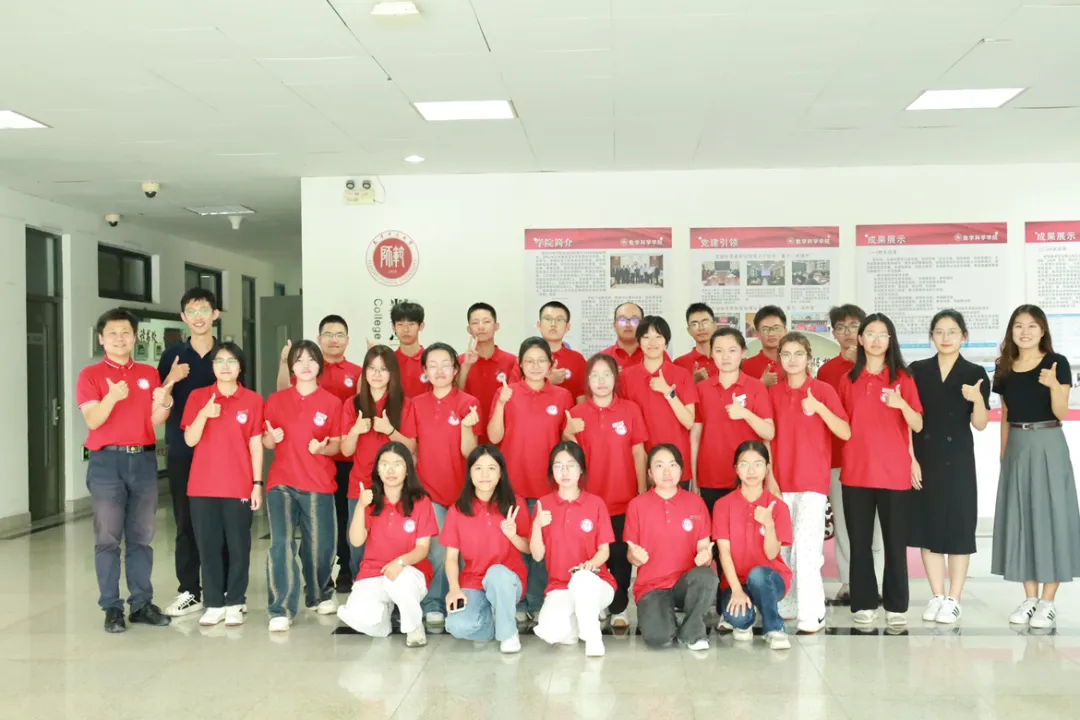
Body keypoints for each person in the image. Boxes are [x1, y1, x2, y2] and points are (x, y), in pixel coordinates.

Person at [78, 308, 175, 633]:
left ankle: (141, 604)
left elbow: (155, 420)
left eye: (125, 333)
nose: (119, 339)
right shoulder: (90, 375)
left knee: (142, 537)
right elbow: (93, 420)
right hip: (106, 463)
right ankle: (111, 608)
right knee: (107, 538)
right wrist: (112, 397)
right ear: (101, 339)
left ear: (135, 337)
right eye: (112, 333)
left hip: (143, 462)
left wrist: (165, 402)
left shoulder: (147, 373)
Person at [992, 304, 1080, 628]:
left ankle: (1048, 602)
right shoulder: (1004, 367)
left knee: (1052, 517)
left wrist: (1054, 385)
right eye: (1019, 325)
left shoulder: (1057, 363)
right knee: (1022, 518)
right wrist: (1004, 452)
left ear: (1042, 330)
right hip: (1017, 445)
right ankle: (1030, 598)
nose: (1025, 331)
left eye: (1032, 325)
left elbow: (1061, 412)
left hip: (1048, 443)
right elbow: (1005, 413)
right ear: (1011, 331)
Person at [839, 313, 924, 626]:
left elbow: (917, 423)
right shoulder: (848, 380)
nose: (876, 340)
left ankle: (896, 606)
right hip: (856, 472)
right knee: (859, 543)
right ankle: (863, 602)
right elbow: (840, 425)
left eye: (883, 334)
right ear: (860, 339)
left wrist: (901, 404)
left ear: (891, 340)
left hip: (894, 473)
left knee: (894, 544)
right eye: (870, 334)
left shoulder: (903, 378)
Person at [909, 310, 990, 625]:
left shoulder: (974, 372)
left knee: (958, 528)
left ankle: (954, 599)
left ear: (963, 336)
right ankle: (937, 595)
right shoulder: (918, 371)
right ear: (931, 336)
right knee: (928, 528)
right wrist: (911, 459)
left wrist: (977, 399)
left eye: (952, 332)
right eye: (939, 332)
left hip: (958, 460)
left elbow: (980, 424)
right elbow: (908, 421)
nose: (945, 338)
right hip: (924, 457)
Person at [487, 337, 574, 626]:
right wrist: (501, 403)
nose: (535, 366)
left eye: (541, 361)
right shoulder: (507, 393)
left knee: (541, 547)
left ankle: (537, 601)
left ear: (551, 364)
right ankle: (518, 601)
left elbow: (566, 441)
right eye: (529, 361)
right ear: (520, 365)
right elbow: (494, 436)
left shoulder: (562, 396)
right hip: (512, 485)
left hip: (546, 486)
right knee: (513, 545)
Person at [769, 333, 850, 633]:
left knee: (806, 549)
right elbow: (765, 438)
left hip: (813, 483)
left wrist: (819, 408)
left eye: (798, 354)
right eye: (786, 354)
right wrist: (769, 478)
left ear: (808, 357)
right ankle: (788, 603)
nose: (792, 360)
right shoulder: (773, 393)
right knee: (784, 548)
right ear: (779, 358)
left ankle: (813, 611)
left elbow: (845, 431)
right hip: (780, 483)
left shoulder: (823, 391)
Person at [277, 314, 362, 594]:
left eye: (339, 335)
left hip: (346, 459)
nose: (334, 340)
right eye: (328, 334)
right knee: (315, 523)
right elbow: (283, 395)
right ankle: (318, 576)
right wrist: (284, 362)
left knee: (345, 519)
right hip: (313, 461)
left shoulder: (357, 372)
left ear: (347, 340)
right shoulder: (308, 368)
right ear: (319, 338)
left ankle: (346, 570)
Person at [157, 288, 229, 619]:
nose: (198, 317)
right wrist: (171, 379)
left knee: (222, 521)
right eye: (192, 311)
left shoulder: (227, 354)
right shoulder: (172, 356)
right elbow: (159, 401)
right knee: (185, 522)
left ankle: (224, 589)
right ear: (184, 317)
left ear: (215, 314)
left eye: (204, 310)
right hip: (183, 451)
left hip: (222, 451)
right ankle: (189, 590)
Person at [181, 342, 264, 627]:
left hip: (239, 485)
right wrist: (204, 413)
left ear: (240, 367)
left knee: (239, 547)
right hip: (202, 486)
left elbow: (256, 445)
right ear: (212, 366)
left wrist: (257, 483)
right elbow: (190, 440)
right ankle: (214, 603)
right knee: (209, 547)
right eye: (219, 361)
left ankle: (236, 601)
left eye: (231, 361)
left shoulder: (253, 400)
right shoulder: (198, 397)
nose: (225, 366)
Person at [263, 340, 343, 632]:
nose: (305, 365)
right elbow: (266, 441)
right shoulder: (276, 400)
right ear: (291, 367)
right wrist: (271, 438)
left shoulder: (332, 403)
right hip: (282, 482)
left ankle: (318, 593)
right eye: (299, 360)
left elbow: (338, 445)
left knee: (320, 546)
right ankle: (281, 608)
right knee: (281, 543)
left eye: (311, 359)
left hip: (318, 482)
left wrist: (323, 448)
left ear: (320, 365)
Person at [564, 353, 647, 629]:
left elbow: (638, 453)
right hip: (588, 501)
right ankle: (597, 605)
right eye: (595, 375)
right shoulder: (576, 414)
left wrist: (642, 492)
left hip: (624, 498)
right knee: (592, 556)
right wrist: (568, 432)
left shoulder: (630, 410)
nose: (601, 381)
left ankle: (620, 607)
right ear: (587, 381)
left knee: (621, 556)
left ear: (616, 379)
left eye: (607, 374)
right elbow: (569, 457)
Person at [336, 442, 438, 647]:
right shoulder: (370, 501)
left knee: (400, 581)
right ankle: (384, 620)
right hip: (374, 572)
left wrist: (400, 563)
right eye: (384, 464)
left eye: (397, 464)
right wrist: (360, 506)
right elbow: (356, 540)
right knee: (359, 618)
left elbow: (422, 549)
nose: (390, 470)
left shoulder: (421, 502)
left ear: (407, 470)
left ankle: (413, 627)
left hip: (410, 571)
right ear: (377, 470)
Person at [411, 342, 480, 632]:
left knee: (464, 552)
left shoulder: (468, 402)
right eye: (433, 365)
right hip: (429, 491)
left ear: (455, 369)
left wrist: (466, 427)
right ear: (425, 371)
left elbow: (470, 453)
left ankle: (463, 601)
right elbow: (412, 449)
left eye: (445, 365)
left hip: (463, 493)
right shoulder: (416, 404)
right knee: (438, 552)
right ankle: (434, 604)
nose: (439, 371)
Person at [817, 304, 881, 603]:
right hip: (838, 458)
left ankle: (875, 580)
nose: (847, 333)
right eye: (841, 328)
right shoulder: (827, 371)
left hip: (874, 459)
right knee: (843, 523)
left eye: (853, 326)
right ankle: (848, 581)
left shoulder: (881, 367)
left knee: (875, 525)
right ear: (834, 333)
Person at [625, 445, 718, 650]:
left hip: (685, 583)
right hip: (652, 585)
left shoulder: (696, 503)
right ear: (650, 472)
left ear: (681, 470)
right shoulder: (637, 505)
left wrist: (706, 557)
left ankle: (693, 632)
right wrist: (635, 557)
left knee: (707, 576)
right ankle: (664, 617)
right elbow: (631, 554)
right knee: (659, 639)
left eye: (672, 465)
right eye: (659, 466)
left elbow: (704, 548)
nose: (666, 472)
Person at [531, 443, 617, 657]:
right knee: (552, 633)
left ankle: (593, 638)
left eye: (571, 465)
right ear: (552, 470)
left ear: (581, 470)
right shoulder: (543, 504)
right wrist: (537, 526)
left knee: (582, 580)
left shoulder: (596, 503)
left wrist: (590, 565)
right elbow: (537, 555)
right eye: (558, 466)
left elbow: (604, 551)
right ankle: (579, 620)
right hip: (560, 585)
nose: (565, 471)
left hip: (596, 583)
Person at [340, 346, 418, 582]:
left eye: (383, 369)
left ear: (392, 373)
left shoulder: (404, 404)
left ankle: (392, 591)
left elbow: (410, 446)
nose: (376, 374)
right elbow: (346, 450)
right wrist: (355, 431)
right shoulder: (352, 404)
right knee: (357, 545)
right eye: (372, 368)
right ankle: (362, 587)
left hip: (395, 486)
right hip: (361, 486)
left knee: (393, 543)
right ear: (364, 372)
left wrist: (390, 430)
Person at [443, 446, 531, 654]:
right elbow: (451, 558)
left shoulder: (515, 503)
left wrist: (513, 535)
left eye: (491, 468)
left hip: (508, 581)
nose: (484, 475)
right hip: (473, 581)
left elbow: (528, 549)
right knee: (456, 626)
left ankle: (508, 635)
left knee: (497, 573)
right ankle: (497, 623)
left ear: (501, 474)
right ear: (469, 473)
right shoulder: (458, 510)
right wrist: (454, 588)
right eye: (478, 468)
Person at [713, 441, 794, 650]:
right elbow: (724, 552)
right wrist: (736, 590)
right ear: (736, 469)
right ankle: (748, 617)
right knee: (738, 619)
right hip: (737, 581)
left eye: (758, 464)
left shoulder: (778, 507)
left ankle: (774, 628)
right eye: (744, 464)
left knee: (758, 575)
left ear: (767, 468)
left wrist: (769, 524)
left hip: (770, 579)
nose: (751, 471)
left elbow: (772, 554)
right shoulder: (722, 505)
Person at [692, 327, 774, 513]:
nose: (725, 357)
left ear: (743, 352)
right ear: (711, 354)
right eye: (719, 351)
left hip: (749, 476)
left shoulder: (756, 387)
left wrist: (745, 413)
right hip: (711, 477)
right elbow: (695, 436)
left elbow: (769, 433)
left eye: (732, 350)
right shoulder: (702, 389)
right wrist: (695, 481)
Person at [618, 316, 697, 488]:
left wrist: (668, 392)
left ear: (666, 342)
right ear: (639, 341)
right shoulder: (626, 377)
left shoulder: (682, 374)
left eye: (658, 337)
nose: (652, 342)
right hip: (640, 461)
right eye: (646, 337)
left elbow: (689, 421)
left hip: (675, 461)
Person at [457, 302, 518, 445]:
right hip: (469, 435)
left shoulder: (512, 361)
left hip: (503, 436)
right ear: (469, 329)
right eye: (475, 323)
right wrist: (466, 366)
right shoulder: (459, 362)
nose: (481, 327)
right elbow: (455, 395)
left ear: (496, 326)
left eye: (486, 321)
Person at [511, 301, 588, 403]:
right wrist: (547, 380)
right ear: (539, 325)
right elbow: (512, 395)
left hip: (567, 413)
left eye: (559, 320)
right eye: (548, 319)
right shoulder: (526, 358)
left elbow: (582, 399)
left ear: (567, 327)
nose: (553, 324)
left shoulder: (577, 359)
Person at [742, 305, 787, 388]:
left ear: (785, 331)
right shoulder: (745, 366)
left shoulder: (796, 363)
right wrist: (761, 384)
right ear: (758, 334)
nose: (771, 334)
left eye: (776, 328)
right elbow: (739, 395)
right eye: (765, 329)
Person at [392, 301, 428, 398]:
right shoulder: (388, 360)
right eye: (400, 324)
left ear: (421, 326)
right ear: (393, 327)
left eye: (411, 324)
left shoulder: (431, 360)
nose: (405, 330)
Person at [674, 303, 718, 383]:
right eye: (695, 324)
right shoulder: (679, 363)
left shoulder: (727, 359)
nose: (701, 328)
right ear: (689, 330)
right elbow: (676, 390)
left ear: (714, 325)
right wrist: (693, 381)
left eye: (705, 322)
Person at [601, 302, 645, 368]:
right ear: (615, 325)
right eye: (622, 320)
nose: (628, 325)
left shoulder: (656, 356)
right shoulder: (601, 359)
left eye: (635, 320)